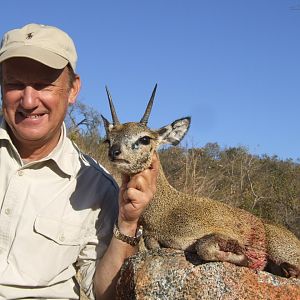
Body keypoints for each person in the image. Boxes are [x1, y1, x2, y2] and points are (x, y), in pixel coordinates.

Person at [0, 23, 158, 299]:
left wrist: (128, 223)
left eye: (43, 85)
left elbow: (102, 292)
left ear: (73, 90)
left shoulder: (98, 188)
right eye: (14, 84)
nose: (28, 100)